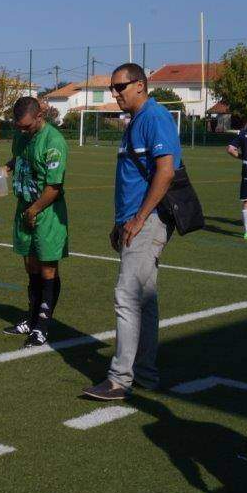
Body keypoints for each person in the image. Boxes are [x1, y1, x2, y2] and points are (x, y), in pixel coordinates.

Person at [84, 63, 182, 401]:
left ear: (140, 85)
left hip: (148, 220)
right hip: (135, 220)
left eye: (119, 86)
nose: (114, 93)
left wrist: (139, 218)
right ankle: (145, 373)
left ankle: (119, 379)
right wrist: (121, 220)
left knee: (126, 297)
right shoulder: (136, 122)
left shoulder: (154, 118)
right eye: (113, 87)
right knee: (144, 300)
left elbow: (166, 171)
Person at [3, 96, 69, 347]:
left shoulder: (54, 142)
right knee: (30, 265)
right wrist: (7, 168)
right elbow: (19, 157)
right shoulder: (21, 135)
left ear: (40, 116)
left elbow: (53, 186)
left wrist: (35, 210)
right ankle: (31, 318)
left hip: (47, 212)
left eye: (27, 126)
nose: (22, 130)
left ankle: (42, 325)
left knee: (47, 268)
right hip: (25, 208)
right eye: (18, 126)